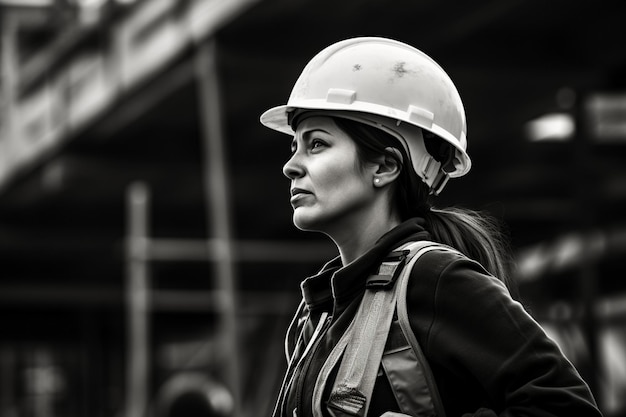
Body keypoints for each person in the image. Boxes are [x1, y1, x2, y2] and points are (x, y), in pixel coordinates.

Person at [259, 37, 602, 417]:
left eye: (317, 144)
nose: (291, 166)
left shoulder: (435, 280)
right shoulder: (322, 311)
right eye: (294, 146)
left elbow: (567, 406)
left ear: (385, 167)